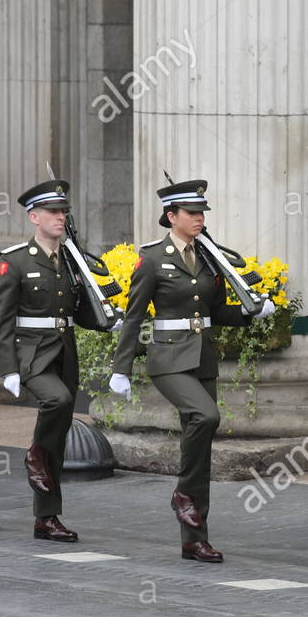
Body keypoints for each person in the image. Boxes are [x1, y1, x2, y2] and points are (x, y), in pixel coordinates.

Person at [108, 179, 273, 563]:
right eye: (192, 213)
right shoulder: (151, 259)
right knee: (206, 416)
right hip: (167, 360)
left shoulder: (210, 257)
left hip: (202, 358)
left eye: (202, 213)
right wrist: (122, 368)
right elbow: (133, 317)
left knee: (197, 444)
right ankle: (184, 494)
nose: (200, 219)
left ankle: (194, 537)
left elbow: (216, 312)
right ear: (171, 216)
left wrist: (251, 313)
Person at [0, 179, 101, 542]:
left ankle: (46, 517)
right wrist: (7, 367)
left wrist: (106, 318)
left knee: (60, 431)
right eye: (53, 212)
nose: (60, 217)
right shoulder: (16, 261)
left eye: (64, 212)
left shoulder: (72, 261)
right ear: (34, 217)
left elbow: (79, 313)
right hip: (32, 352)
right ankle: (34, 454)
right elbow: (2, 318)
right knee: (58, 401)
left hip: (64, 350)